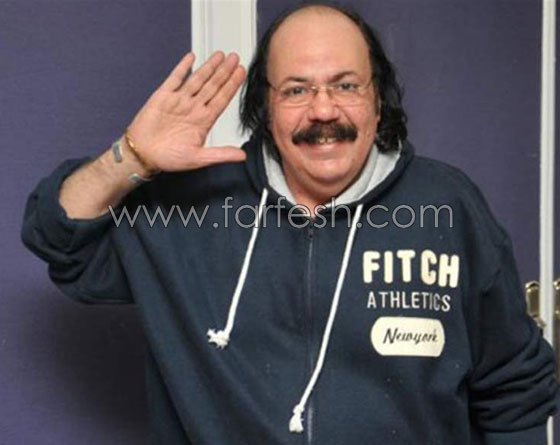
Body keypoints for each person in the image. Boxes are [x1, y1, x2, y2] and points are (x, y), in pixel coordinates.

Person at [21, 3, 558, 444]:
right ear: (265, 106)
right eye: (296, 90)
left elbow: (515, 386)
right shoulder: (190, 209)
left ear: (377, 99)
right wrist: (133, 157)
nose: (323, 111)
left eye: (346, 85)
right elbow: (60, 238)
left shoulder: (447, 205)